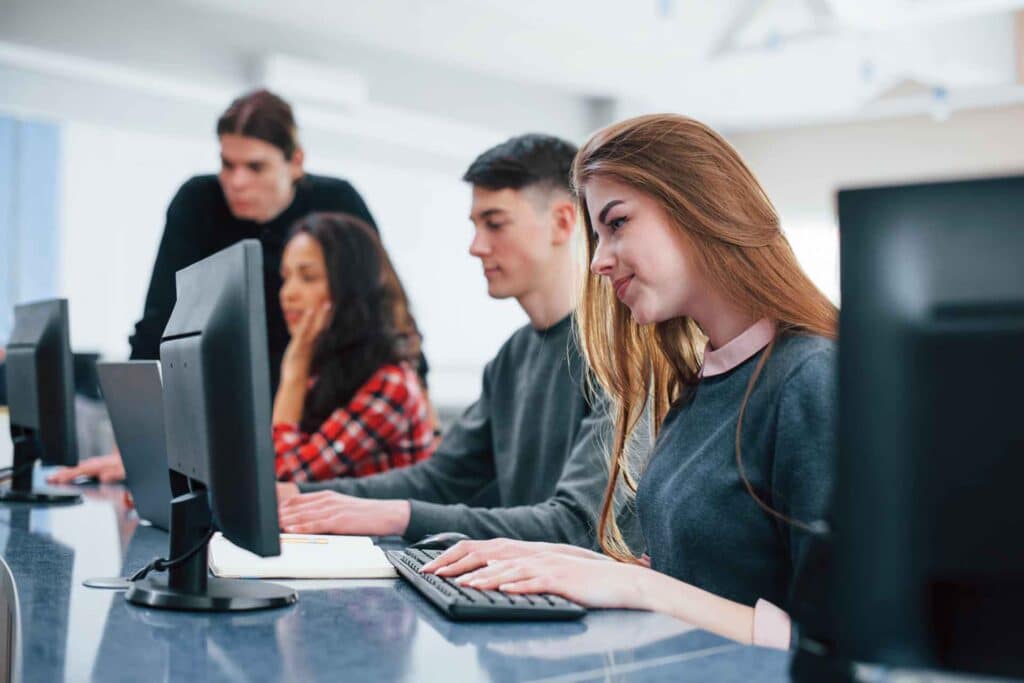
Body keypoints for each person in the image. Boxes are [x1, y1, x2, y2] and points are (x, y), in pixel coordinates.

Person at [419, 114, 838, 650]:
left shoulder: (810, 378)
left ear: (699, 207)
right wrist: (558, 561)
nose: (597, 261)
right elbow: (694, 581)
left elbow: (837, 645)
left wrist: (637, 585)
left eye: (616, 224)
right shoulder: (700, 383)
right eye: (597, 234)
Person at [276, 134, 638, 549]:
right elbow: (441, 479)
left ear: (562, 222)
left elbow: (575, 526)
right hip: (527, 588)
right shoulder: (512, 358)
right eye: (476, 226)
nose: (476, 246)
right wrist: (303, 498)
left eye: (495, 224)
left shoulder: (620, 352)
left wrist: (397, 514)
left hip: (594, 607)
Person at [49, 88, 424, 485]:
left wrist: (420, 403)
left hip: (320, 394)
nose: (237, 182)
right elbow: (160, 322)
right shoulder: (199, 202)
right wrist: (138, 443)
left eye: (255, 167)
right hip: (236, 403)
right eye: (227, 165)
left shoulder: (337, 203)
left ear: (295, 163)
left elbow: (386, 303)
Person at [273, 212, 436, 481]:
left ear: (349, 287)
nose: (287, 293)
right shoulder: (327, 370)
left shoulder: (390, 384)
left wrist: (294, 370)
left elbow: (287, 478)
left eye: (308, 277)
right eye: (286, 277)